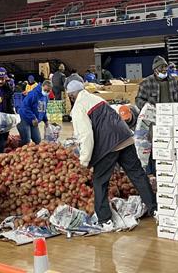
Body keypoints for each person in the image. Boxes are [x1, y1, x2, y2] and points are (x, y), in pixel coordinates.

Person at [67, 80, 157, 230]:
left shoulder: (78, 107)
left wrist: (84, 161)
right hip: (125, 137)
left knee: (100, 181)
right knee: (137, 174)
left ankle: (105, 220)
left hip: (108, 145)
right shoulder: (97, 98)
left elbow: (86, 135)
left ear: (71, 96)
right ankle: (154, 209)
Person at [17, 80, 50, 145]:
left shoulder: (45, 97)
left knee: (38, 141)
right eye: (45, 90)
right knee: (26, 140)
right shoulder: (33, 94)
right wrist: (33, 117)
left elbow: (43, 110)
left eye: (48, 91)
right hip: (24, 118)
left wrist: (46, 120)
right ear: (42, 86)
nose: (46, 92)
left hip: (34, 121)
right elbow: (25, 107)